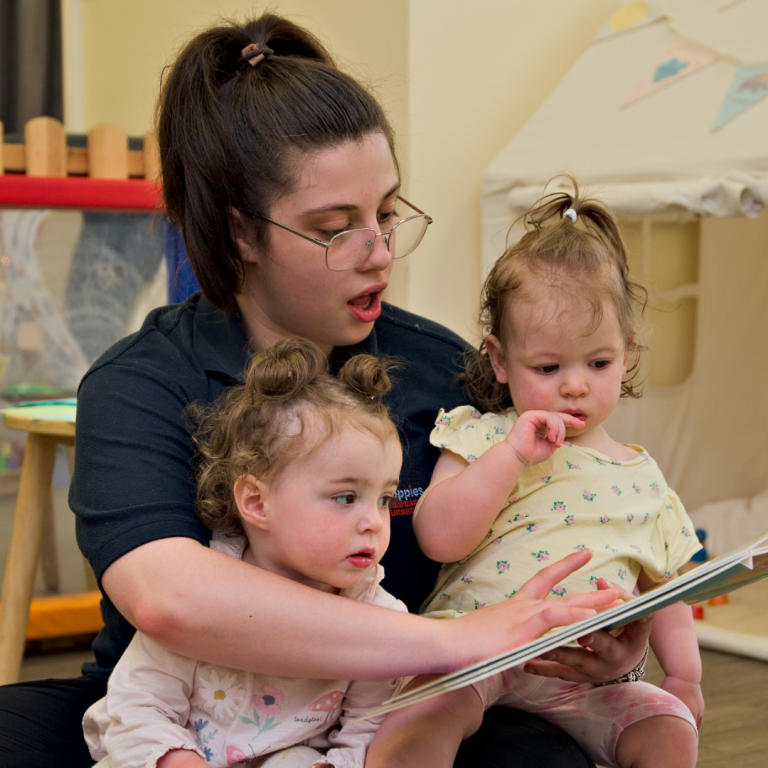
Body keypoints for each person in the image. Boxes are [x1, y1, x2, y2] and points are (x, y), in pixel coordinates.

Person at [0, 15, 645, 768]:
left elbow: (540, 535)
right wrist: (449, 637)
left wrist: (602, 647)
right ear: (243, 234)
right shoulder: (140, 383)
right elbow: (170, 597)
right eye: (338, 227)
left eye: (388, 214)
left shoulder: (446, 371)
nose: (379, 252)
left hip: (383, 711)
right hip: (174, 717)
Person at [366, 183, 704, 768]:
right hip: (476, 654)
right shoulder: (485, 434)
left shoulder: (644, 477)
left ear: (626, 352)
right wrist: (512, 458)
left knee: (669, 730)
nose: (575, 385)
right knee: (419, 718)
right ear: (500, 360)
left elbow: (668, 589)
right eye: (547, 367)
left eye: (598, 363)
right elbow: (439, 536)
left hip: (585, 679)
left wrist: (688, 677)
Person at [83, 339, 411, 768]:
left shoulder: (380, 616)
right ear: (256, 502)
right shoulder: (205, 597)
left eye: (384, 499)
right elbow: (137, 710)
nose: (374, 521)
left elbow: (370, 729)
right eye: (346, 497)